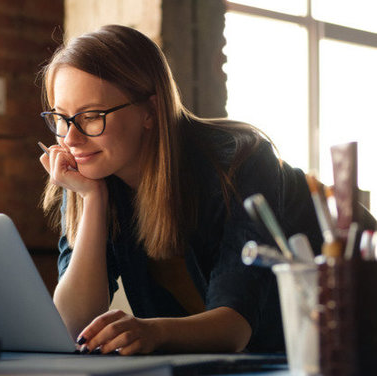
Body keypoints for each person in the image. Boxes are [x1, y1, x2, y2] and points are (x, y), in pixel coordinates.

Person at [37, 24, 323, 355]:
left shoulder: (240, 160)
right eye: (61, 118)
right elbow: (73, 323)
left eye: (91, 116)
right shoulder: (89, 172)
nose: (70, 139)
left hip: (340, 335)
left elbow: (234, 329)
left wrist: (153, 332)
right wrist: (92, 199)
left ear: (150, 110)